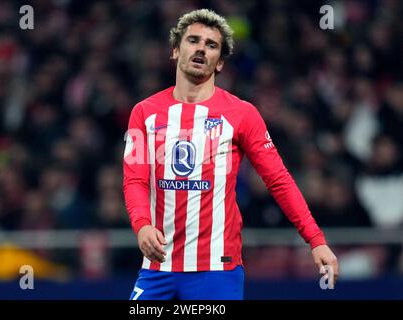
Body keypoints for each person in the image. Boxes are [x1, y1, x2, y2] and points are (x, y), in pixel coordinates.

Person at [123, 9, 338, 300]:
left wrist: (316, 240)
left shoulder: (242, 114)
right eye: (193, 40)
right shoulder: (143, 112)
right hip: (156, 269)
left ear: (220, 62)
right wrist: (142, 225)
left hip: (217, 271)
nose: (201, 48)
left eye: (211, 45)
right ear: (175, 50)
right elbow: (135, 180)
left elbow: (279, 180)